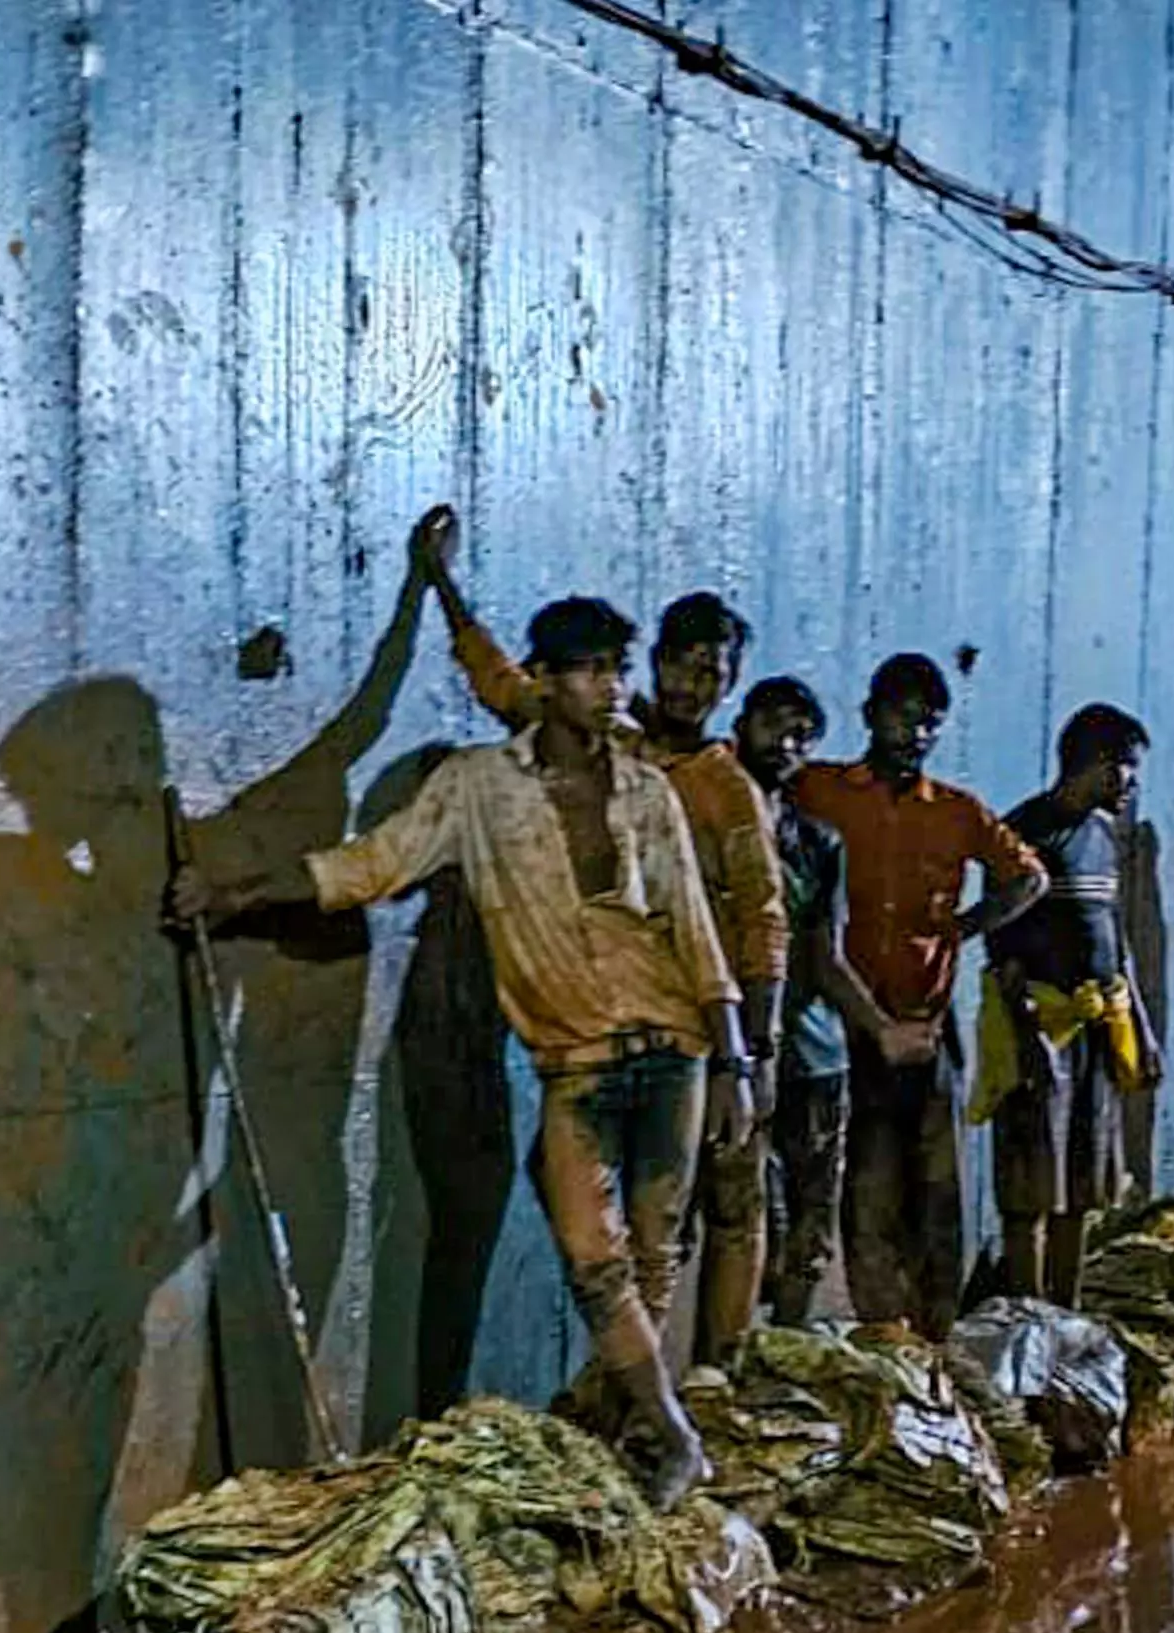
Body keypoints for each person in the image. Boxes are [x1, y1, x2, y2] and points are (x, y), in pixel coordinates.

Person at [171, 544, 755, 1508]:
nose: (613, 688)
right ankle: (678, 1438)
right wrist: (229, 894)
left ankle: (640, 1444)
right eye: (593, 669)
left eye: (618, 667)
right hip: (580, 1063)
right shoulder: (479, 788)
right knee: (593, 1261)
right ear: (544, 679)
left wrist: (735, 1058)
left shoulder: (649, 789)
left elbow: (696, 930)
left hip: (677, 1049)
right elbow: (367, 867)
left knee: (652, 1263)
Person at [443, 586, 790, 1364]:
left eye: (712, 674)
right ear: (653, 665)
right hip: (610, 1026)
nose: (691, 687)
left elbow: (765, 923)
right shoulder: (611, 744)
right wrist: (446, 593)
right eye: (680, 665)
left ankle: (697, 1392)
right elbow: (506, 686)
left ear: (730, 685)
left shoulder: (729, 791)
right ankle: (635, 1402)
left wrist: (751, 1056)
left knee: (707, 1213)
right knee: (608, 1223)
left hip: (701, 1030)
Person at [791, 655, 1049, 1336]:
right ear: (871, 715)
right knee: (868, 1183)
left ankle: (934, 1334)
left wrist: (965, 930)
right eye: (904, 718)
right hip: (846, 1025)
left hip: (928, 1026)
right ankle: (883, 1333)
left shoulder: (958, 813)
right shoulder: (820, 790)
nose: (916, 734)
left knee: (939, 1191)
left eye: (930, 723)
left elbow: (1029, 879)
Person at [980, 705, 1162, 1304]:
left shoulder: (1106, 838)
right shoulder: (1023, 832)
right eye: (1125, 770)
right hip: (1038, 1026)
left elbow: (1117, 938)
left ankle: (1066, 1309)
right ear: (1095, 765)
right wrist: (1025, 1032)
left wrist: (1138, 1024)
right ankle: (1026, 1310)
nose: (1131, 785)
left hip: (1096, 1029)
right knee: (1031, 1183)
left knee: (1082, 1183)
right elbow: (1001, 951)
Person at [733, 677, 892, 1325]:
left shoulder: (817, 842)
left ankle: (784, 1359)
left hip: (813, 1058)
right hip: (730, 1058)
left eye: (802, 735)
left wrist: (879, 1029)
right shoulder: (701, 820)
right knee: (736, 1224)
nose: (786, 743)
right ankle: (722, 1364)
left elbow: (825, 957)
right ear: (741, 727)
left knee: (809, 1226)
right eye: (775, 725)